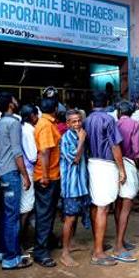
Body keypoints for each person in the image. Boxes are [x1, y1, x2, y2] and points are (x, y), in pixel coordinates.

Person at [83, 92, 126, 267]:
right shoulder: (108, 120)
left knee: (96, 205)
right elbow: (115, 145)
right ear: (107, 102)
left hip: (92, 163)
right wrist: (122, 169)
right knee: (103, 207)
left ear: (92, 102)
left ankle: (98, 244)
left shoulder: (86, 120)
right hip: (106, 165)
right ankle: (98, 253)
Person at [0, 92, 32, 270]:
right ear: (10, 104)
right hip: (11, 172)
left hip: (1, 172)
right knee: (12, 216)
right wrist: (25, 175)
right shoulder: (14, 123)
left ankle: (2, 250)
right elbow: (17, 152)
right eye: (14, 99)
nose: (17, 102)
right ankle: (11, 258)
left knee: (4, 214)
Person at [32, 94, 62, 268]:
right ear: (56, 109)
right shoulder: (45, 126)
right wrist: (45, 176)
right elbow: (44, 152)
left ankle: (46, 244)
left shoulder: (46, 123)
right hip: (47, 176)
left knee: (48, 213)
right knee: (44, 214)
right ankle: (41, 252)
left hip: (51, 174)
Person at [58, 110, 91, 267]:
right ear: (68, 124)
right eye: (73, 121)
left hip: (80, 185)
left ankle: (71, 243)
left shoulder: (79, 134)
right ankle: (65, 253)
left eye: (79, 121)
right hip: (71, 186)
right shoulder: (66, 138)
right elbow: (76, 159)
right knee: (69, 218)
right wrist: (82, 140)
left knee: (75, 216)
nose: (77, 124)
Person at [113, 101, 139, 262]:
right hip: (128, 164)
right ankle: (119, 246)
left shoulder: (115, 123)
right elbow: (136, 149)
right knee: (126, 206)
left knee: (118, 203)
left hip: (115, 164)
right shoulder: (135, 124)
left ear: (119, 112)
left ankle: (120, 240)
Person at [19, 104, 39, 247]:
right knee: (26, 207)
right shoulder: (30, 130)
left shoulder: (20, 127)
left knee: (24, 206)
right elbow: (32, 156)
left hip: (20, 170)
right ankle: (21, 241)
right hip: (28, 171)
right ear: (32, 116)